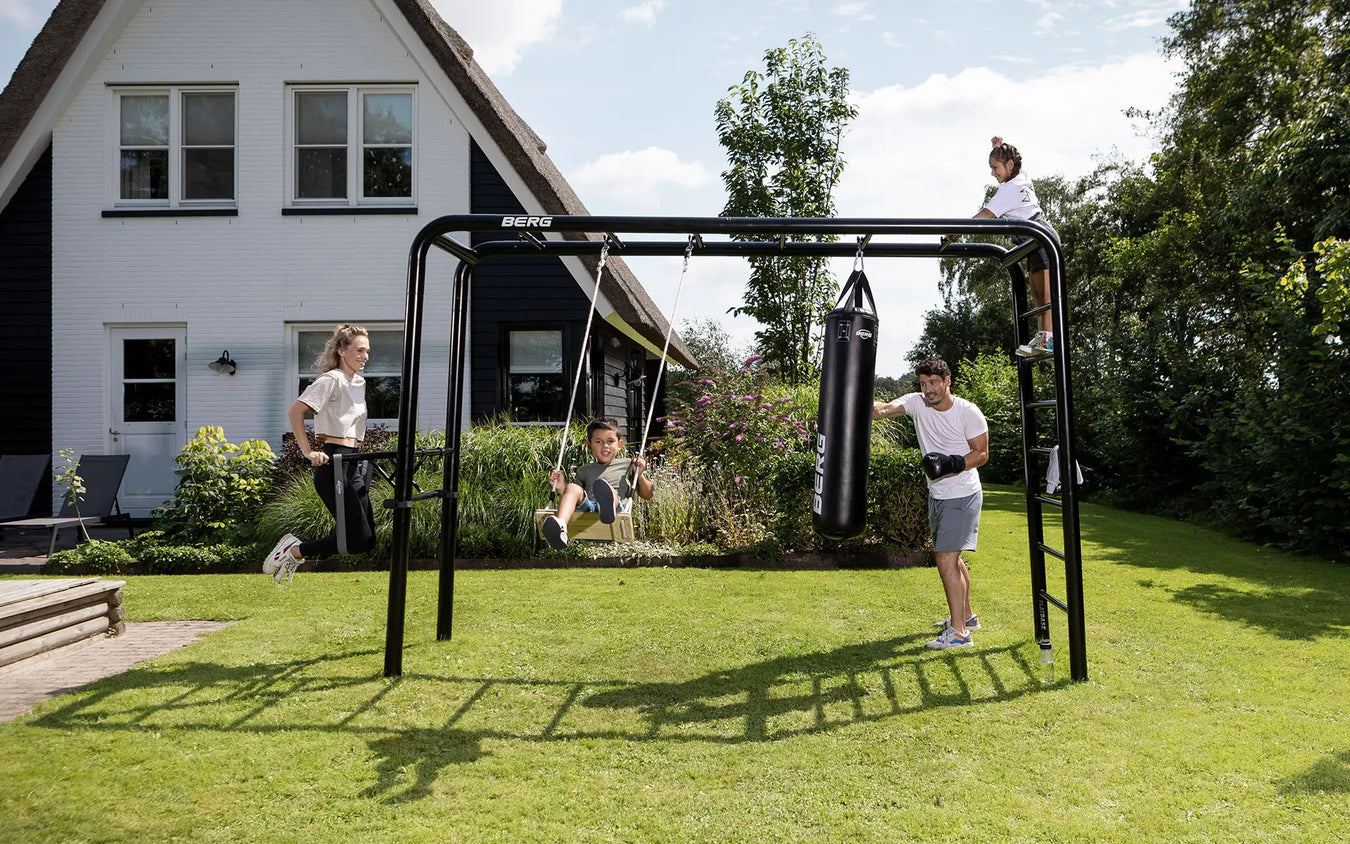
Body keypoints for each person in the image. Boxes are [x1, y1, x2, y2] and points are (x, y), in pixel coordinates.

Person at [873, 357, 989, 649]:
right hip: (937, 495)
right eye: (923, 384)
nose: (928, 390)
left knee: (945, 559)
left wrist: (952, 463)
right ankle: (967, 616)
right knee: (954, 558)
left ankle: (961, 634)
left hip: (962, 494)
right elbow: (883, 410)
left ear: (947, 381)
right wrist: (851, 396)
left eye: (934, 383)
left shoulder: (967, 412)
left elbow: (982, 453)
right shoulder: (915, 403)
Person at [264, 324, 376, 582]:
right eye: (359, 350)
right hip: (332, 463)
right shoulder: (331, 379)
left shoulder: (358, 382)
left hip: (352, 461)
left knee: (367, 540)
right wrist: (308, 451)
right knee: (356, 538)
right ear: (341, 351)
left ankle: (295, 551)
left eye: (367, 351)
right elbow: (296, 411)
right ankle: (293, 551)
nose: (365, 356)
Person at [947, 136, 1060, 357]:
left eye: (994, 167)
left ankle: (1049, 339)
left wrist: (957, 231)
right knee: (1036, 293)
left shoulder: (1008, 190)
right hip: (1031, 240)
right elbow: (1013, 160)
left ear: (1009, 166)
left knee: (1044, 293)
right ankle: (1043, 337)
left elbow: (985, 216)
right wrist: (997, 148)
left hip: (1040, 236)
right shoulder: (1020, 177)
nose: (992, 173)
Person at [541, 417, 654, 549]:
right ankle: (560, 526)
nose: (605, 446)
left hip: (616, 509)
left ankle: (606, 506)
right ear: (588, 445)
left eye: (610, 441)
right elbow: (577, 499)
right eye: (598, 441)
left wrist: (639, 475)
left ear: (619, 444)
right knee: (572, 487)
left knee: (609, 491)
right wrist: (562, 488)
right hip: (590, 508)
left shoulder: (629, 464)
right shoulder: (584, 470)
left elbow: (648, 494)